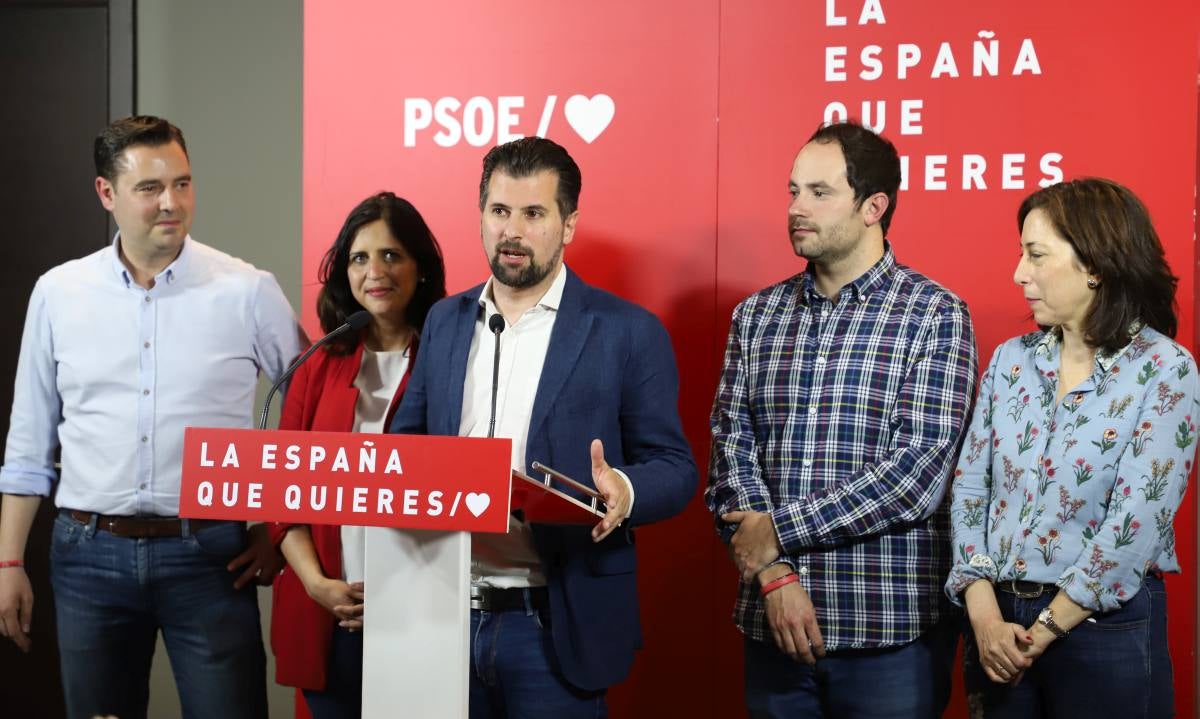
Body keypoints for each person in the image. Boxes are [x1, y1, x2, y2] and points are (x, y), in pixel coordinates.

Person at [0, 115, 306, 719]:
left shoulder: (246, 290)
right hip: (87, 555)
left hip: (212, 556)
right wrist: (8, 561)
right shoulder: (59, 293)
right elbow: (29, 442)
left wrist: (277, 527)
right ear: (106, 194)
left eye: (183, 183)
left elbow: (309, 415)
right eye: (150, 188)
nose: (172, 202)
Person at [389, 136, 697, 718]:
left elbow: (675, 468)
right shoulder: (445, 321)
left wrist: (624, 491)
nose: (513, 231)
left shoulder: (627, 331)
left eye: (534, 214)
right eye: (500, 211)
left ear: (569, 224)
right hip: (440, 617)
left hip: (555, 624)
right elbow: (405, 443)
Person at [706, 121, 979, 718]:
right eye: (792, 191)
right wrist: (774, 574)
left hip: (889, 635)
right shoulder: (756, 317)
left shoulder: (934, 315)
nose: (796, 208)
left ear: (872, 207)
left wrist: (778, 532)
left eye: (819, 192)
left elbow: (915, 476)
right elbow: (730, 453)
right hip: (771, 624)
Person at [946, 178, 1196, 718]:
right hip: (998, 628)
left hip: (1103, 628)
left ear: (1095, 266)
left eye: (1036, 255)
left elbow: (1138, 520)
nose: (1019, 274)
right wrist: (983, 610)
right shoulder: (1011, 360)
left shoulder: (1164, 369)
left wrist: (1048, 627)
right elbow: (970, 485)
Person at [267, 191, 447, 718]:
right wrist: (317, 584)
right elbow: (284, 499)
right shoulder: (315, 366)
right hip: (329, 612)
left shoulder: (452, 362)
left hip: (421, 617)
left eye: (391, 255)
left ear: (420, 266)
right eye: (360, 257)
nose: (375, 271)